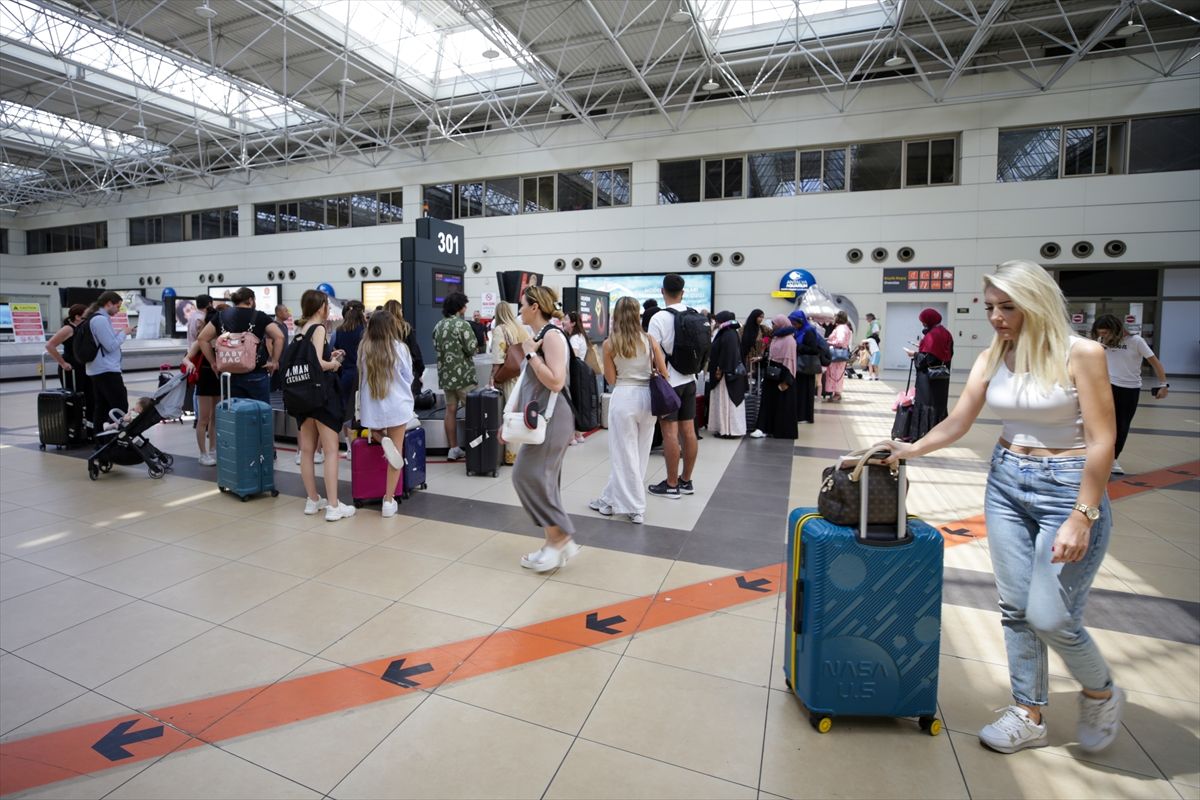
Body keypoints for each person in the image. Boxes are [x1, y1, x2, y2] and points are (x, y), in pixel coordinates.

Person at [879, 259, 1121, 756]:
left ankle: (1100, 691)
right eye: (990, 307)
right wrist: (909, 448)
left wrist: (1083, 514)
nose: (996, 317)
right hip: (1007, 481)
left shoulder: (1083, 353)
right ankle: (1028, 712)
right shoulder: (995, 355)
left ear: (1038, 302)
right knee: (1014, 608)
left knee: (1051, 616)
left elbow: (1103, 441)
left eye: (1008, 306)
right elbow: (959, 421)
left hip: (1067, 486)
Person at [509, 285, 579, 571]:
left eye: (523, 305)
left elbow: (556, 381)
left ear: (535, 306)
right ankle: (554, 542)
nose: (520, 310)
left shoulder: (550, 336)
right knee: (543, 479)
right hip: (545, 419)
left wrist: (530, 356)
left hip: (554, 419)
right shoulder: (542, 336)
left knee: (526, 474)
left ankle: (561, 537)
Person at [589, 296, 669, 524]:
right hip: (648, 399)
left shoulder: (609, 343)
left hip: (624, 397)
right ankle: (610, 499)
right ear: (637, 315)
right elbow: (664, 373)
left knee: (623, 454)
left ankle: (635, 507)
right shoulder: (649, 339)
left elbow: (612, 379)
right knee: (640, 454)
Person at [291, 289, 355, 521]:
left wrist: (330, 355)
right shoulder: (318, 328)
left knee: (307, 451)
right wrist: (334, 364)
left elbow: (308, 359)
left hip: (302, 395)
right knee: (330, 451)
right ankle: (334, 506)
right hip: (321, 396)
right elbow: (318, 364)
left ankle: (313, 500)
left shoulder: (300, 329)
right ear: (321, 308)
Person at [1090, 313, 1169, 474]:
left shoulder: (1136, 341)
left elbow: (1155, 362)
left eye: (1105, 333)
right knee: (1099, 424)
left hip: (1129, 389)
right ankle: (1095, 456)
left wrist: (1163, 384)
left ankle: (1113, 459)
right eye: (1100, 333)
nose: (1102, 336)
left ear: (1116, 330)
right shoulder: (1101, 342)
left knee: (1121, 425)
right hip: (1106, 386)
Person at [646, 274, 700, 499]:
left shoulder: (658, 318)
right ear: (683, 292)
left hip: (669, 383)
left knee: (670, 432)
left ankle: (670, 484)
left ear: (662, 291)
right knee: (689, 431)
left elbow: (652, 354)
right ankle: (686, 481)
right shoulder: (693, 314)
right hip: (690, 380)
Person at [358, 311, 415, 518]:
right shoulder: (400, 349)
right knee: (396, 453)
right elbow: (408, 377)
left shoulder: (364, 349)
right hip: (397, 405)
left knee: (374, 433)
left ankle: (381, 438)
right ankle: (388, 501)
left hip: (373, 407)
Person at [193, 287, 283, 405]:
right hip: (256, 373)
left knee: (235, 415)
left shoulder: (220, 316)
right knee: (259, 413)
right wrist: (274, 361)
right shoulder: (260, 316)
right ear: (250, 300)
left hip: (229, 375)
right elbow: (279, 337)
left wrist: (213, 363)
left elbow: (202, 338)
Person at [432, 292, 477, 461]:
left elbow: (436, 346)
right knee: (472, 411)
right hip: (463, 376)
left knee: (450, 410)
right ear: (459, 307)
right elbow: (472, 348)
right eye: (464, 305)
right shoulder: (462, 325)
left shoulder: (438, 326)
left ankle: (453, 448)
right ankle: (475, 447)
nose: (466, 308)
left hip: (446, 376)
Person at [83, 291, 133, 434]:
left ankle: (101, 439)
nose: (118, 311)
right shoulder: (100, 320)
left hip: (99, 369)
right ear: (108, 303)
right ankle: (115, 438)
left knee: (102, 406)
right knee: (119, 405)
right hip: (106, 370)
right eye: (117, 306)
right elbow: (110, 346)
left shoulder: (96, 318)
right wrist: (124, 333)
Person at [488, 300, 531, 465]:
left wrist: (492, 378)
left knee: (510, 416)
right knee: (521, 414)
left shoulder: (500, 329)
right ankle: (523, 453)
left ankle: (511, 455)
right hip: (523, 376)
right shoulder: (520, 327)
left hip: (508, 379)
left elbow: (498, 359)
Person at [749, 315, 799, 439]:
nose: (773, 326)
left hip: (782, 375)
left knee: (781, 404)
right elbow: (772, 355)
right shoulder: (777, 337)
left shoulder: (789, 340)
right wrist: (761, 358)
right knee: (767, 402)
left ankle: (778, 430)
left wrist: (787, 381)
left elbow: (790, 362)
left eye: (775, 324)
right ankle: (763, 428)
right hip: (772, 374)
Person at [189, 297, 220, 465]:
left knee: (215, 417)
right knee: (204, 419)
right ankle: (203, 453)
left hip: (217, 380)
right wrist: (189, 365)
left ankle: (213, 448)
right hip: (205, 379)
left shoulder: (221, 340)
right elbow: (186, 359)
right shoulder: (200, 341)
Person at [333, 300, 366, 451]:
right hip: (361, 375)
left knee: (346, 410)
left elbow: (337, 350)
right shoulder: (364, 330)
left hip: (345, 374)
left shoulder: (339, 330)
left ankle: (349, 447)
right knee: (360, 410)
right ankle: (360, 444)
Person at [706, 311, 747, 438]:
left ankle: (728, 430)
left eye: (718, 320)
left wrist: (720, 369)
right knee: (726, 402)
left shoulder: (728, 334)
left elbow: (728, 355)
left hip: (725, 375)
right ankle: (725, 429)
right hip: (727, 374)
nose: (717, 323)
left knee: (726, 402)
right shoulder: (729, 332)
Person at [44, 304, 92, 410]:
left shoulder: (81, 328)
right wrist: (62, 363)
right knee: (74, 395)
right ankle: (73, 419)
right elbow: (49, 345)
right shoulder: (68, 329)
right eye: (86, 316)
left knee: (86, 394)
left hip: (82, 366)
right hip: (71, 367)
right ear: (77, 317)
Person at [910, 307, 954, 422]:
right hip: (942, 376)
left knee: (927, 403)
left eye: (923, 321)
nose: (923, 324)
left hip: (928, 380)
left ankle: (926, 433)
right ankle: (940, 430)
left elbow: (927, 359)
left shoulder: (932, 336)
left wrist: (914, 354)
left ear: (929, 320)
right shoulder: (946, 332)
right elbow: (947, 353)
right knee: (939, 403)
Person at [384, 299, 425, 394]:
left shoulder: (381, 330)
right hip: (407, 373)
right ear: (399, 311)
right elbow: (415, 352)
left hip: (386, 373)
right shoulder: (405, 328)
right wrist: (419, 372)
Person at [789, 309, 822, 425]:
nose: (793, 325)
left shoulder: (809, 331)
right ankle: (799, 415)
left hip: (807, 366)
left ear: (801, 321)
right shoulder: (799, 331)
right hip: (800, 366)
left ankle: (805, 416)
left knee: (805, 392)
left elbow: (814, 349)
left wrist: (798, 346)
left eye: (794, 322)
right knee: (800, 391)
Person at [565, 311, 589, 445]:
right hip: (580, 375)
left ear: (573, 323)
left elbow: (573, 358)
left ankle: (572, 436)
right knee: (578, 402)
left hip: (573, 375)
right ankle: (578, 434)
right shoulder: (581, 336)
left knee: (571, 403)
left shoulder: (574, 339)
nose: (563, 321)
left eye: (566, 319)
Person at [824, 311, 854, 402]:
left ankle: (837, 394)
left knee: (835, 374)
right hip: (840, 353)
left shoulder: (841, 328)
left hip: (837, 353)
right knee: (837, 374)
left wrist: (829, 342)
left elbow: (840, 341)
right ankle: (836, 393)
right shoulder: (845, 327)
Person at [269, 305, 292, 392]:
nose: (288, 313)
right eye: (286, 311)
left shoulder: (284, 326)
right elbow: (269, 344)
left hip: (283, 362)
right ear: (279, 313)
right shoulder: (273, 326)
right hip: (277, 363)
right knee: (274, 389)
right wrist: (274, 360)